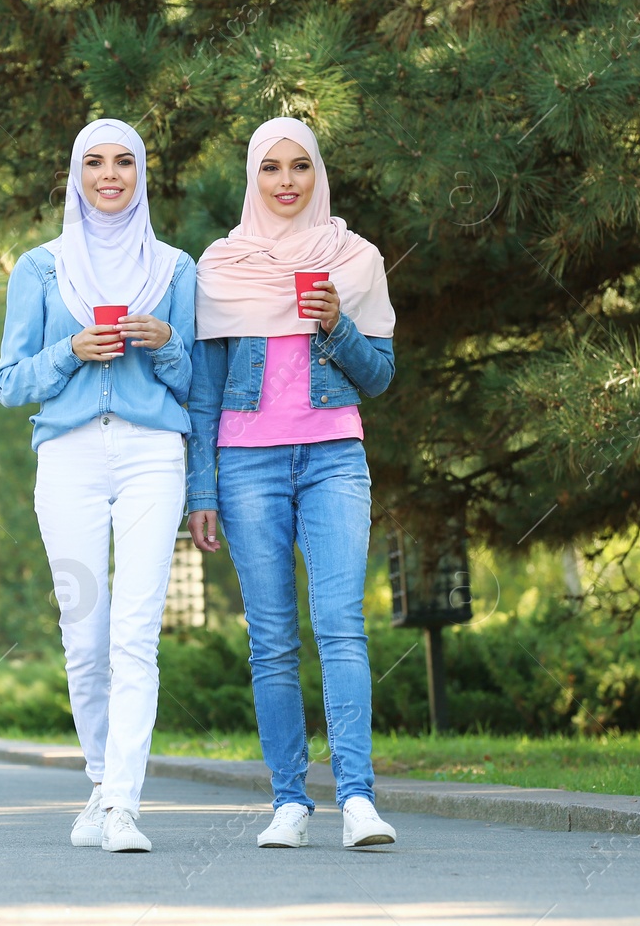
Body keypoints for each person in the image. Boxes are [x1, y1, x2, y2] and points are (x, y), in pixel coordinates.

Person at [185, 117, 398, 849]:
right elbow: (204, 394)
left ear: (318, 174)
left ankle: (358, 798)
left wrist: (338, 324)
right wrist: (202, 490)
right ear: (253, 176)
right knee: (273, 637)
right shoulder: (220, 264)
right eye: (270, 167)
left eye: (298, 166)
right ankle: (289, 800)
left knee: (341, 624)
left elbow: (380, 376)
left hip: (334, 454)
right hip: (247, 464)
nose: (284, 181)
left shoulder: (356, 260)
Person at [0, 118, 195, 853]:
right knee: (85, 636)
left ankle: (122, 808)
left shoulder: (175, 269)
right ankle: (100, 783)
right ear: (76, 176)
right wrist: (70, 351)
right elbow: (9, 383)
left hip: (151, 453)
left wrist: (167, 342)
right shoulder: (40, 268)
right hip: (69, 457)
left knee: (136, 635)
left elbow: (194, 384)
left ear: (142, 175)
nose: (110, 175)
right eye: (95, 163)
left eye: (125, 163)